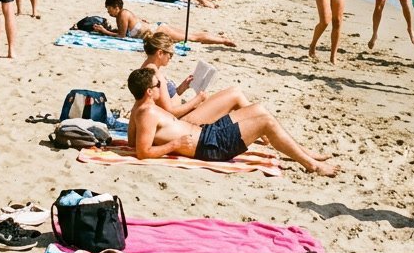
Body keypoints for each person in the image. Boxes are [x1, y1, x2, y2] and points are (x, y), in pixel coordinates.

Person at [125, 68, 337, 176]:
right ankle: (312, 165)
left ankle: (305, 153)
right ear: (149, 92)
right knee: (266, 122)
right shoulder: (147, 113)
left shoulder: (142, 110)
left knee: (259, 109)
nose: (161, 86)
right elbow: (142, 152)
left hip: (207, 133)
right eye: (158, 84)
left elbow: (132, 142)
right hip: (211, 146)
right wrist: (174, 145)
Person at [135, 31, 248, 119]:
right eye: (170, 54)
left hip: (179, 116)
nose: (170, 57)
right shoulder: (155, 75)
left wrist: (181, 88)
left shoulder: (148, 69)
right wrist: (197, 100)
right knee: (235, 95)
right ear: (160, 53)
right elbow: (169, 112)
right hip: (179, 121)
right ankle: (261, 129)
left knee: (230, 97)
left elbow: (162, 100)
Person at [101, 0, 235, 46]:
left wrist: (104, 31)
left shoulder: (123, 15)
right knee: (192, 34)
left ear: (116, 7)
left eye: (109, 10)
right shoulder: (124, 14)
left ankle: (222, 41)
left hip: (159, 31)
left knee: (193, 37)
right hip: (158, 28)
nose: (109, 13)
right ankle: (220, 37)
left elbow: (121, 36)